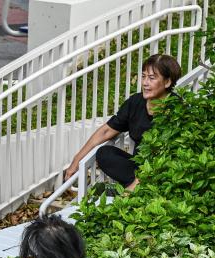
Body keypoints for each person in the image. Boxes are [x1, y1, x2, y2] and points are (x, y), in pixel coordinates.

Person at [64, 54, 181, 191]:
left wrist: (130, 191)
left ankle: (135, 190)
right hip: (138, 168)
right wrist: (76, 160)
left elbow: (163, 158)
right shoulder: (135, 102)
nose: (145, 83)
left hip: (162, 171)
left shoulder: (176, 110)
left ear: (167, 82)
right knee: (104, 153)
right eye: (143, 76)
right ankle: (137, 188)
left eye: (151, 78)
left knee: (117, 187)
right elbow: (106, 131)